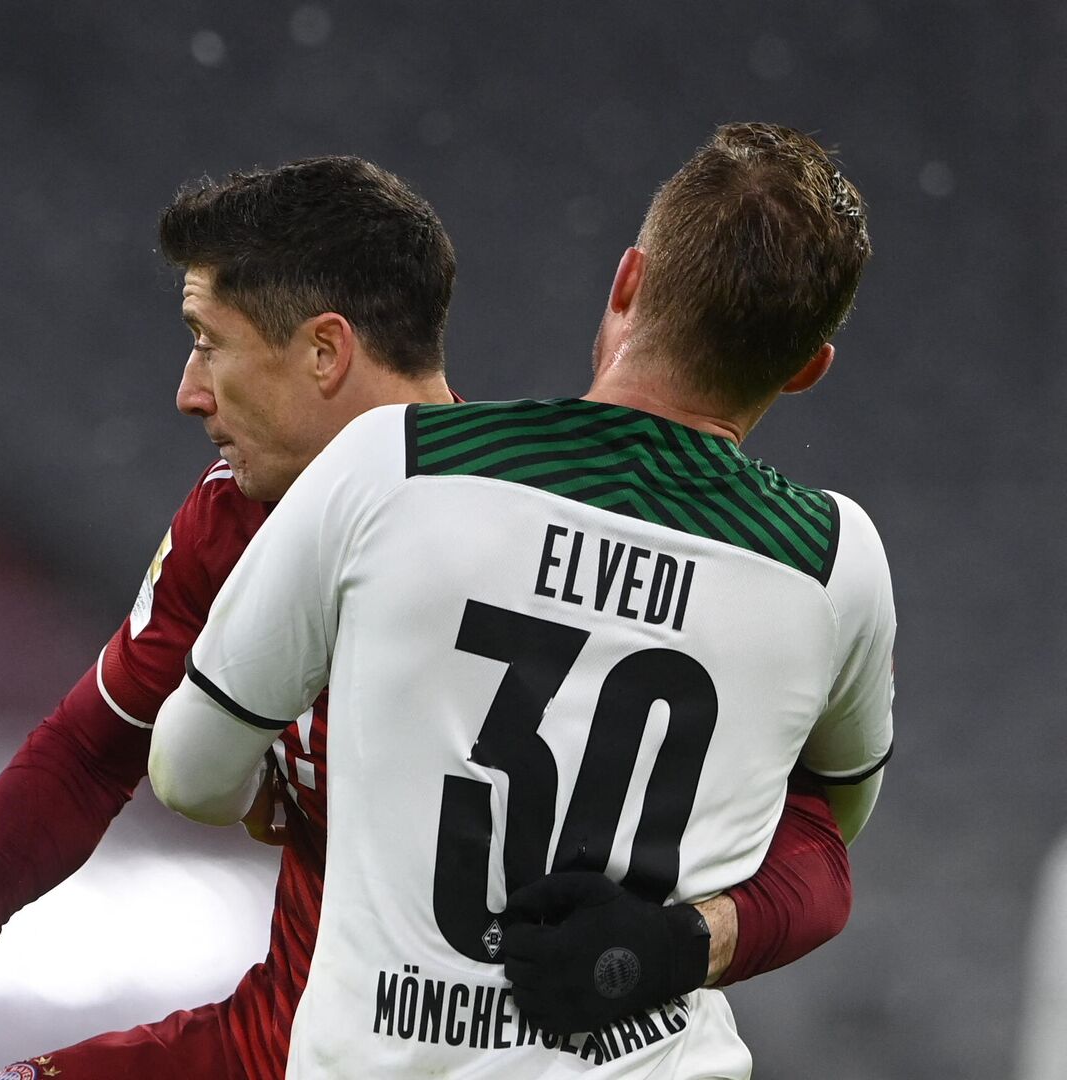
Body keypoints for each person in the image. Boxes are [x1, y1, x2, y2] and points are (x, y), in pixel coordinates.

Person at [0, 153, 855, 1078]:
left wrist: (694, 937)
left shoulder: (524, 544)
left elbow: (810, 841)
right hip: (284, 1040)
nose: (189, 392)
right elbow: (100, 740)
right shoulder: (230, 522)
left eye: (210, 344)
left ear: (326, 352)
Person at [148, 123, 891, 1077]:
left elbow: (188, 772)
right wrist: (681, 941)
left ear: (627, 281)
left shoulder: (394, 464)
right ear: (808, 367)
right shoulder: (834, 560)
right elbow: (826, 835)